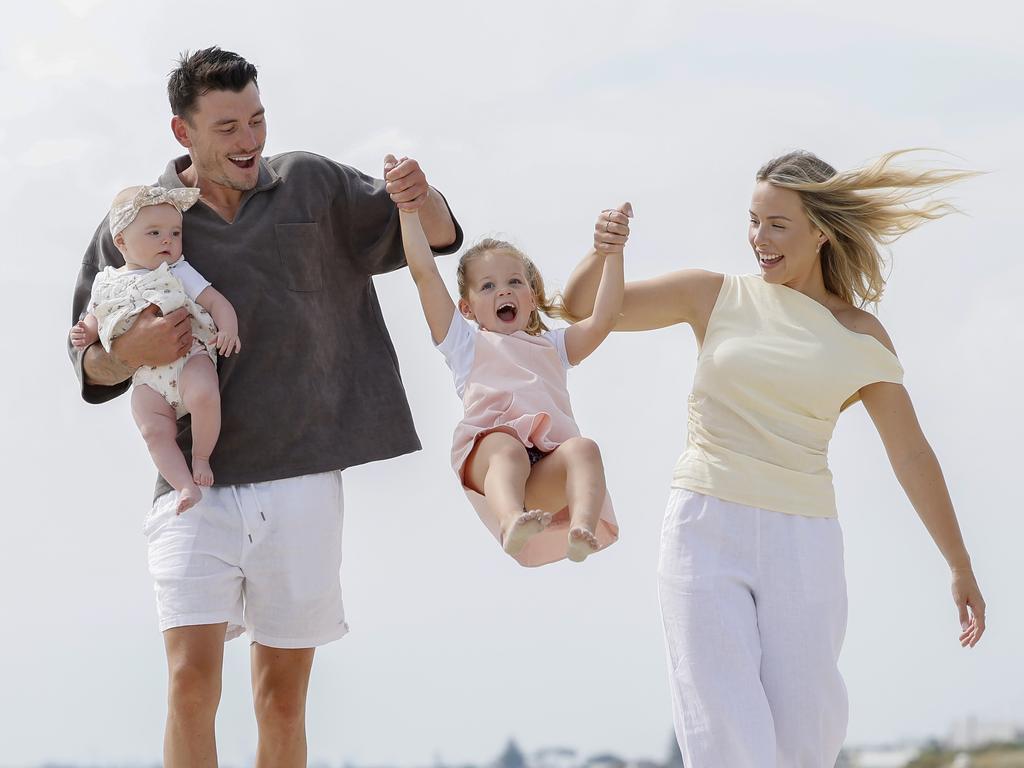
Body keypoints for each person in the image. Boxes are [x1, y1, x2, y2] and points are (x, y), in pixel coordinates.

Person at [67, 47, 461, 768]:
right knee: (189, 685)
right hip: (193, 486)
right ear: (183, 133)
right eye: (227, 128)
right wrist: (131, 350)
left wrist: (420, 192)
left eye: (257, 120)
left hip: (301, 477)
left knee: (281, 698)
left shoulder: (312, 182)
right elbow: (89, 364)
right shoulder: (136, 219)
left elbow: (431, 232)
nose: (249, 140)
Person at [562, 149, 986, 767]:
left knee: (805, 738)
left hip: (804, 540)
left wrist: (960, 563)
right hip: (705, 526)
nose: (759, 239)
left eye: (777, 225)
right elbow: (581, 311)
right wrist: (603, 251)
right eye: (753, 221)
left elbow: (912, 454)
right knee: (727, 737)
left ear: (821, 230)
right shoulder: (713, 295)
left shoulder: (860, 337)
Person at [398, 183, 631, 566]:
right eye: (487, 286)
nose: (503, 291)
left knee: (584, 449)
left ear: (532, 294)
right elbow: (424, 274)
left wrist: (614, 254)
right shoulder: (465, 345)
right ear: (468, 309)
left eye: (514, 282)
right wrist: (408, 212)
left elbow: (604, 319)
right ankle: (510, 523)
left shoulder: (553, 348)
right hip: (490, 458)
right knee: (506, 446)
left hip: (541, 470)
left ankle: (581, 529)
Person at [71, 185, 241, 513]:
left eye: (175, 233)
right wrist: (84, 332)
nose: (168, 240)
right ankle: (184, 486)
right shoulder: (106, 281)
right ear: (121, 242)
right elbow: (95, 316)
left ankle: (201, 458)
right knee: (152, 429)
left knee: (205, 395)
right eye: (154, 233)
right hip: (148, 377)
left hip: (190, 354)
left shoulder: (177, 270)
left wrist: (228, 328)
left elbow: (214, 301)